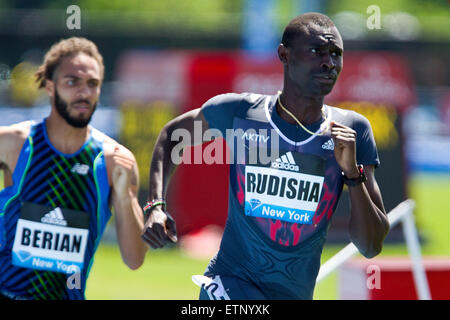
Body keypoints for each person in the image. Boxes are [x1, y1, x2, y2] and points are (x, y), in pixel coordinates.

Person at [141, 12, 390, 300]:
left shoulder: (352, 129)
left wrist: (352, 174)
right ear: (284, 54)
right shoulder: (240, 113)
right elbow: (172, 136)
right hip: (229, 285)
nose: (329, 62)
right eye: (317, 51)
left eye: (336, 54)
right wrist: (155, 206)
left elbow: (371, 245)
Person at [0, 37, 147, 300]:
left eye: (93, 84)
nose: (84, 92)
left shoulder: (115, 160)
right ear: (49, 87)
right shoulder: (15, 143)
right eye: (72, 82)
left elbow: (135, 259)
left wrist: (125, 198)